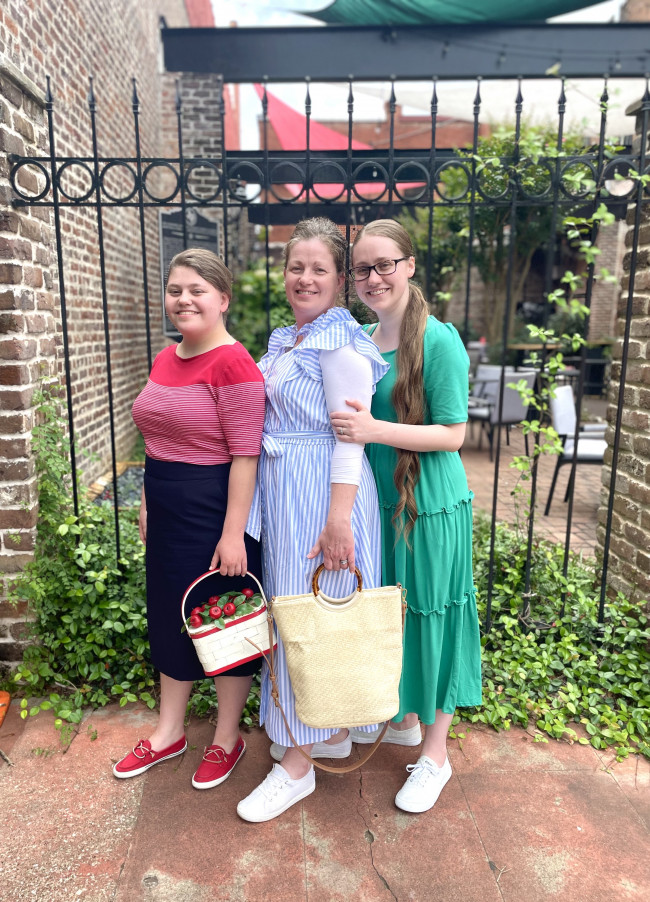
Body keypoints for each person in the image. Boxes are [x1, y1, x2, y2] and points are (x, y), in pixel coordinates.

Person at [236, 217, 389, 823]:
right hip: (285, 490)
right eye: (296, 267)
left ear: (339, 280)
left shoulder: (342, 347)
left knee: (307, 615)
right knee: (296, 613)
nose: (305, 278)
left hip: (324, 495)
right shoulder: (290, 340)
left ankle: (297, 767)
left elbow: (349, 440)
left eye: (319, 268)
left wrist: (339, 522)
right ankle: (323, 731)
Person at [330, 219, 482, 814]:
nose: (373, 278)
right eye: (363, 269)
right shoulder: (364, 341)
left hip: (430, 505)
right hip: (381, 503)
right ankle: (403, 719)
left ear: (410, 265)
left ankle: (436, 755)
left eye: (384, 264)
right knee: (390, 616)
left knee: (432, 616)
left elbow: (452, 434)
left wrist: (373, 429)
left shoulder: (439, 341)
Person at [113, 249, 265, 790]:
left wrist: (232, 534)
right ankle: (169, 732)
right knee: (168, 618)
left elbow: (247, 454)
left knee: (223, 621)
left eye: (197, 290)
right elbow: (156, 437)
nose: (184, 299)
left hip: (212, 507)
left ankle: (227, 738)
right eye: (176, 289)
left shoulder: (233, 363)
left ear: (223, 300)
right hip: (167, 503)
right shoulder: (165, 357)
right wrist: (148, 500)